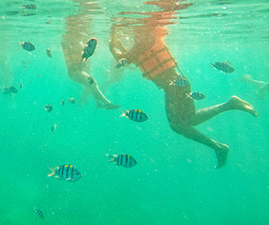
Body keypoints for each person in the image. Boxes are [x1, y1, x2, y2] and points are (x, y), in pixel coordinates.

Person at [108, 0, 257, 168]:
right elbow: (123, 57)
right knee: (189, 120)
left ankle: (219, 146)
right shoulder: (141, 40)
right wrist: (114, 41)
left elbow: (127, 57)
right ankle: (230, 106)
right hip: (178, 84)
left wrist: (114, 40)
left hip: (174, 85)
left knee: (177, 126)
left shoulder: (145, 37)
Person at [62, 0, 119, 110]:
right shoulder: (69, 39)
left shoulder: (71, 38)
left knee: (91, 84)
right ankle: (106, 103)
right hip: (74, 72)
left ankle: (99, 103)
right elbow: (73, 46)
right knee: (92, 83)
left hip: (76, 70)